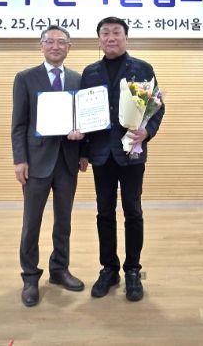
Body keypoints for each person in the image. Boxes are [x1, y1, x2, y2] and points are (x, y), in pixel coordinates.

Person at [80, 16, 165, 302]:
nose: (111, 37)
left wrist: (147, 131)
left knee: (133, 211)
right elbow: (83, 114)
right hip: (101, 154)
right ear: (99, 39)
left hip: (131, 152)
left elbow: (157, 107)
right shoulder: (90, 73)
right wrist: (83, 153)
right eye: (105, 33)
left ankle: (132, 270)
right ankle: (109, 268)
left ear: (126, 37)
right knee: (104, 212)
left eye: (116, 32)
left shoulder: (142, 68)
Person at [11, 25, 88, 307]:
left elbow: (84, 119)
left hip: (67, 161)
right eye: (50, 41)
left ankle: (59, 269)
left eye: (61, 42)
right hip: (36, 163)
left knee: (63, 221)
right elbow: (19, 124)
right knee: (31, 222)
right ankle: (30, 276)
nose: (56, 46)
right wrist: (19, 159)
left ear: (69, 47)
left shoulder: (78, 79)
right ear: (41, 45)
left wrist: (84, 151)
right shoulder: (25, 78)